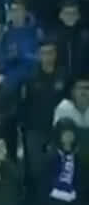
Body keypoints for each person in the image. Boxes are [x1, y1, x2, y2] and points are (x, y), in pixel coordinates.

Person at [31, 119, 87, 205]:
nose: (68, 138)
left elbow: (84, 194)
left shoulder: (80, 163)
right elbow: (41, 193)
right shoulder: (47, 161)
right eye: (65, 134)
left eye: (71, 134)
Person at [22, 41, 69, 180]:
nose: (47, 57)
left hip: (58, 129)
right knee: (36, 168)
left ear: (56, 54)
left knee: (59, 168)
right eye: (44, 53)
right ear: (38, 55)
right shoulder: (30, 77)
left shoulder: (64, 75)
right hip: (35, 129)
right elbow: (24, 103)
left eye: (50, 53)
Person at [0, 0, 43, 91]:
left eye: (19, 10)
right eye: (13, 10)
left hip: (34, 80)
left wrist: (21, 55)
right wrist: (10, 58)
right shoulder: (5, 34)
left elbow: (40, 57)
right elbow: (1, 61)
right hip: (11, 81)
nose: (16, 13)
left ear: (25, 12)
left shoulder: (35, 32)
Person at [49, 0, 89, 80]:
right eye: (67, 13)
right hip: (59, 78)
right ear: (60, 15)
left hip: (83, 78)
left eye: (74, 13)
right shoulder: (52, 36)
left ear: (78, 16)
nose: (70, 16)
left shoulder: (85, 35)